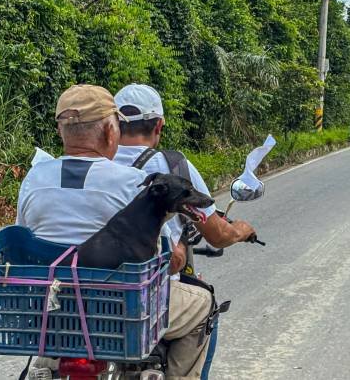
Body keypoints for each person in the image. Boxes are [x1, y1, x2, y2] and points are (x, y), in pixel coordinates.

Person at [17, 84, 212, 380]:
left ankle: (46, 364)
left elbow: (23, 242)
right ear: (111, 132)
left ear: (61, 132)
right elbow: (168, 259)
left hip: (57, 309)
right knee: (203, 304)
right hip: (120, 309)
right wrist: (180, 250)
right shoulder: (133, 182)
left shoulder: (34, 178)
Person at [111, 83, 256, 379]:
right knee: (205, 306)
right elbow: (216, 234)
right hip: (144, 290)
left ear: (112, 126)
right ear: (159, 126)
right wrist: (240, 231)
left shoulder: (93, 162)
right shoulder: (172, 165)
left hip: (80, 288)